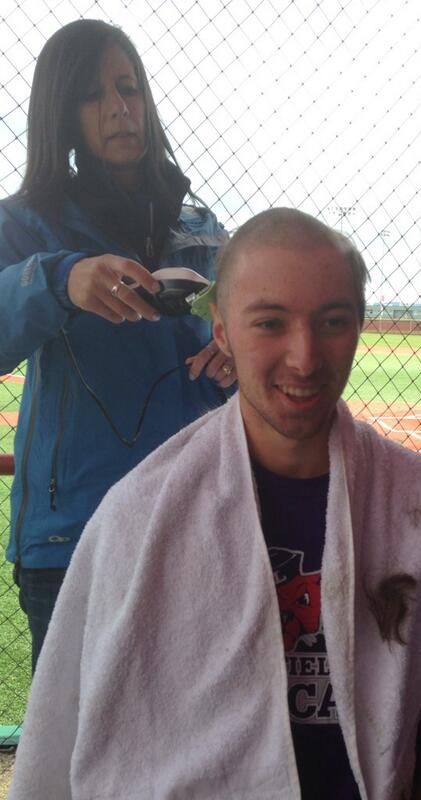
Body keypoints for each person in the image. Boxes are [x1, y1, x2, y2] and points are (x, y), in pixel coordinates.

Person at [9, 208, 421, 800]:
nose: (304, 358)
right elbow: (70, 728)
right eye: (270, 323)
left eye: (332, 321)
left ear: (358, 325)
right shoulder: (137, 517)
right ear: (222, 331)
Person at [0, 19, 235, 672]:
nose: (119, 107)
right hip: (74, 536)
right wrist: (57, 279)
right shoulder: (25, 226)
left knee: (188, 747)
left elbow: (241, 348)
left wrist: (239, 356)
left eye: (128, 87)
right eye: (92, 94)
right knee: (78, 762)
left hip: (190, 525)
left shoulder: (201, 229)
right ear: (60, 114)